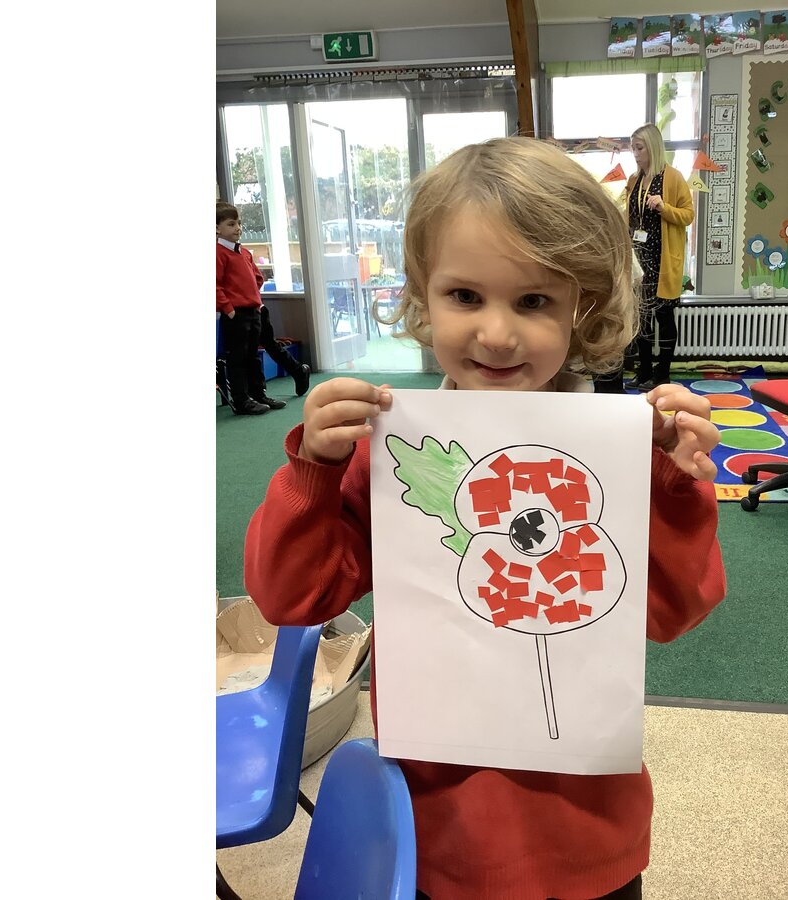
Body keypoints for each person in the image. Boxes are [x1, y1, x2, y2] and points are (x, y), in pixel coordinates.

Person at [243, 137, 727, 900]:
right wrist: (314, 471)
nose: (496, 334)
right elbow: (291, 597)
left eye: (534, 301)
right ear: (422, 293)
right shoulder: (392, 454)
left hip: (586, 839)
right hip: (436, 835)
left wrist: (671, 486)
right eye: (465, 296)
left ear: (583, 305)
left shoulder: (622, 454)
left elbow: (673, 610)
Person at [593, 124, 694, 394]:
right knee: (642, 320)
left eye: (639, 148)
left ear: (653, 147)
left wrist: (664, 207)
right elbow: (629, 216)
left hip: (663, 260)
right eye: (633, 148)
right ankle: (644, 371)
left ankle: (662, 374)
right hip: (639, 261)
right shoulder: (634, 180)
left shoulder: (672, 178)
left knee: (664, 317)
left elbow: (688, 215)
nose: (635, 153)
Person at [217, 201, 290, 414]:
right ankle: (241, 400)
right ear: (217, 228)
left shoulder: (244, 253)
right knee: (237, 358)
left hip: (253, 311)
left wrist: (253, 299)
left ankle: (258, 393)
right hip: (235, 315)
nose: (237, 228)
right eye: (231, 224)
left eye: (239, 223)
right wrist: (229, 308)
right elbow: (215, 285)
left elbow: (257, 278)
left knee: (253, 356)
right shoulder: (218, 253)